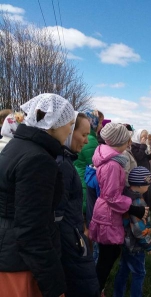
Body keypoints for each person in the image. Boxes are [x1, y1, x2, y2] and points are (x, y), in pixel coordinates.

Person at [0, 93, 76, 297]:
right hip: (21, 264)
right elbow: (32, 230)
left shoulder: (18, 146)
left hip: (11, 253)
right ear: (54, 124)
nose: (70, 129)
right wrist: (54, 285)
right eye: (69, 124)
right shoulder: (38, 159)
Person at [89, 123, 148, 296]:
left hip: (107, 212)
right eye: (126, 138)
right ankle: (96, 289)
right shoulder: (113, 165)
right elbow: (111, 196)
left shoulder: (111, 160)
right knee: (107, 258)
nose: (129, 141)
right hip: (108, 215)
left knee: (110, 253)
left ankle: (97, 287)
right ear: (120, 141)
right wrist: (133, 208)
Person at [56, 112, 99, 297]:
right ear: (67, 131)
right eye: (83, 135)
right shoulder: (61, 165)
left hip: (72, 235)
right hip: (69, 243)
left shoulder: (66, 160)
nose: (87, 141)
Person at [113, 167, 151, 297]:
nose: (148, 186)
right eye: (147, 183)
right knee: (139, 273)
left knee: (123, 271)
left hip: (126, 243)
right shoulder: (138, 202)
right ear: (140, 185)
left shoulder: (126, 196)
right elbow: (138, 229)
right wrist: (149, 245)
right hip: (135, 246)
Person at [74, 110, 103, 216]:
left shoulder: (90, 138)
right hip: (85, 180)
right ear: (93, 123)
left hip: (80, 174)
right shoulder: (91, 140)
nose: (101, 126)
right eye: (99, 122)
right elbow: (94, 164)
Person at [131, 129, 151, 208]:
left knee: (147, 188)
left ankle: (148, 207)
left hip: (146, 169)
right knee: (142, 189)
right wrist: (143, 145)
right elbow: (139, 157)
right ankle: (141, 208)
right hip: (139, 172)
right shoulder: (134, 145)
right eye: (143, 136)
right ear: (139, 136)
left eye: (146, 137)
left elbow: (146, 157)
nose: (144, 139)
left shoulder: (144, 145)